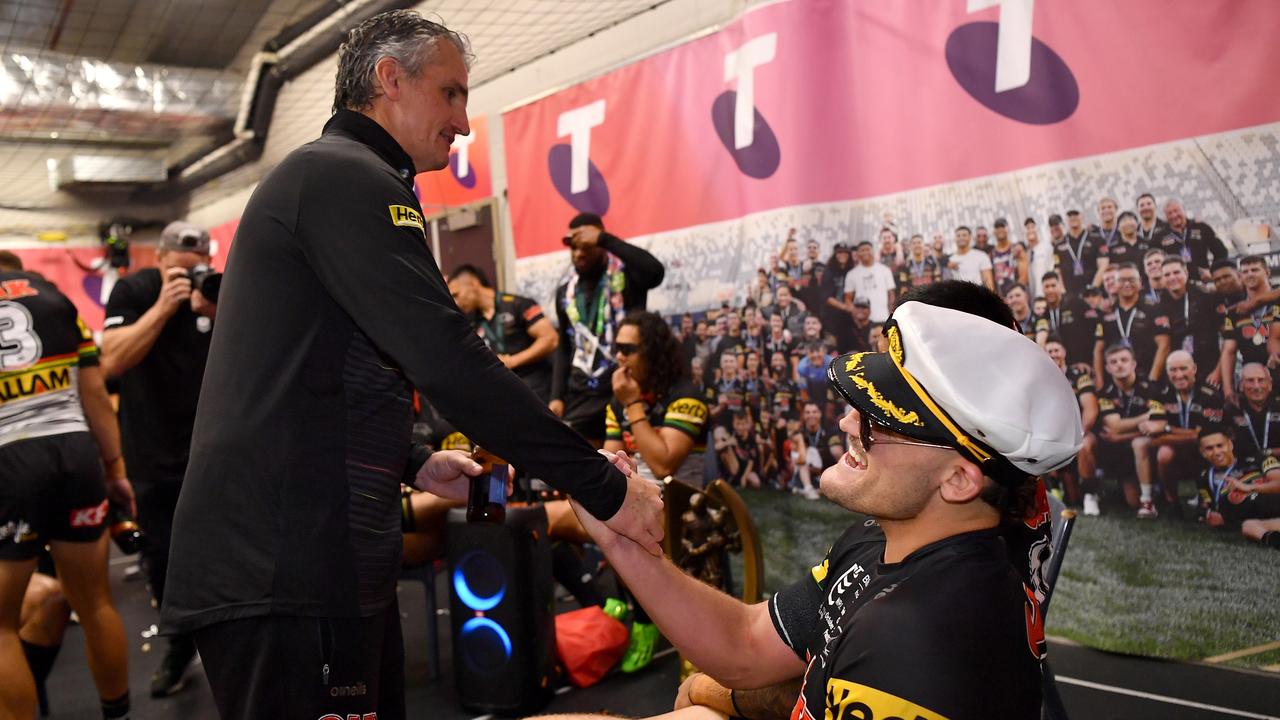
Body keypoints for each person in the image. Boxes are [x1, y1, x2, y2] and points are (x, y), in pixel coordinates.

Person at [161, 13, 663, 720]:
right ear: (388, 79)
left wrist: (412, 459)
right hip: (284, 566)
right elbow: (446, 357)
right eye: (450, 93)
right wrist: (604, 487)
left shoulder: (353, 180)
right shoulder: (341, 176)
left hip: (324, 558)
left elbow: (318, 369)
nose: (463, 120)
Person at [569, 294, 1082, 720]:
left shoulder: (919, 632)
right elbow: (745, 642)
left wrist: (717, 697)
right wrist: (623, 540)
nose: (846, 425)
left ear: (959, 479)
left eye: (880, 422)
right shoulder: (878, 542)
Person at [0, 266, 134, 719]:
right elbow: (95, 394)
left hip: (10, 462)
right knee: (95, 603)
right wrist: (116, 469)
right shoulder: (52, 296)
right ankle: (119, 714)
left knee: (0, 631)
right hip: (76, 456)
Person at [98, 220, 215, 697]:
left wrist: (218, 307)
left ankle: (229, 646)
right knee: (163, 559)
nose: (191, 277)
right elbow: (111, 362)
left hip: (211, 451)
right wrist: (165, 308)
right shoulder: (135, 289)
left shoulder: (218, 288)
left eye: (199, 268)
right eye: (182, 270)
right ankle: (178, 643)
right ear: (162, 259)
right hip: (151, 454)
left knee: (230, 555)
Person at [551, 211, 665, 444]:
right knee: (577, 466)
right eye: (573, 247)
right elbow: (564, 346)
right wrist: (556, 396)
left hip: (624, 387)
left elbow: (655, 272)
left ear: (601, 245)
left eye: (586, 246)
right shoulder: (566, 292)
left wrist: (605, 239)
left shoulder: (627, 276)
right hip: (581, 393)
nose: (578, 252)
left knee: (624, 467)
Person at [447, 264, 557, 401]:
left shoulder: (518, 305)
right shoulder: (471, 323)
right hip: (503, 395)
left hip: (536, 390)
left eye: (456, 295)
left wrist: (513, 361)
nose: (456, 303)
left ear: (473, 283)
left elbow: (550, 339)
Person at [1142, 351, 1223, 514]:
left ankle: (1206, 498)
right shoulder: (1160, 394)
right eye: (1173, 370)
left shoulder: (1210, 394)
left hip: (1203, 453)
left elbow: (1203, 436)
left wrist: (1167, 429)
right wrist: (1189, 435)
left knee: (1210, 447)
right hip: (1176, 451)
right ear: (1167, 371)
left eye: (1183, 369)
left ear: (1194, 369)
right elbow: (1155, 439)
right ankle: (1172, 501)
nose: (1178, 375)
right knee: (1163, 454)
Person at [1093, 344, 1166, 517]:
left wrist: (1120, 436)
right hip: (1120, 454)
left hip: (1145, 447)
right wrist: (1145, 417)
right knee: (1132, 501)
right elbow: (1114, 426)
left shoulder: (1151, 389)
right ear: (1108, 368)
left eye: (1124, 360)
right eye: (1114, 362)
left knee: (1139, 443)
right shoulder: (1106, 393)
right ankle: (1125, 487)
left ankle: (1148, 499)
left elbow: (1158, 423)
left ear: (1133, 364)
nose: (1119, 365)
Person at [1194, 428, 1280, 549]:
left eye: (1220, 446)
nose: (1216, 452)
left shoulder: (1257, 459)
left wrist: (1248, 488)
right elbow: (1207, 508)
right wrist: (1211, 515)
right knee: (1248, 527)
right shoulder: (1203, 478)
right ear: (1202, 452)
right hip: (1267, 518)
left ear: (1230, 444)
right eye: (1209, 448)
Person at [1092, 262, 1171, 386]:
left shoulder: (1154, 309)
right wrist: (1100, 381)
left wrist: (1152, 378)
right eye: (1122, 280)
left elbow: (1164, 345)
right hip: (1116, 380)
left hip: (1146, 375)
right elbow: (1098, 350)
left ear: (1140, 282)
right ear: (1115, 283)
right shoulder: (1106, 311)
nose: (1127, 284)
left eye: (1131, 280)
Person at [1218, 256, 1280, 406]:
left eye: (1255, 270)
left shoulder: (1278, 300)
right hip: (1253, 382)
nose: (1250, 274)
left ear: (1267, 272)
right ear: (1240, 276)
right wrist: (1228, 389)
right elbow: (1229, 351)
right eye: (1245, 271)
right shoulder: (1234, 311)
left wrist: (1256, 301)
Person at [1159, 256, 1223, 385]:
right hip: (1177, 371)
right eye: (1167, 274)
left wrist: (1218, 371)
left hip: (1209, 366)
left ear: (1186, 273)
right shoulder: (1160, 303)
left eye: (1176, 272)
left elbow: (1227, 338)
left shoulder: (1206, 297)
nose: (1172, 277)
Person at [1162, 199, 1229, 282]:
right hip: (1176, 282)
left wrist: (1213, 271)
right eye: (1169, 213)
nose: (1174, 215)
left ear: (1184, 210)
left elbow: (1221, 252)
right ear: (1165, 216)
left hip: (1203, 281)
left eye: (1176, 211)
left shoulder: (1201, 227)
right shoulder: (1161, 235)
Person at [1228, 363, 1280, 462]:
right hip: (1243, 468)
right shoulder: (1231, 409)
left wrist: (1268, 452)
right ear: (1241, 386)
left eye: (1261, 380)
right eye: (1250, 381)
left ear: (1270, 384)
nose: (1256, 386)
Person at [946, 225, 994, 290]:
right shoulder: (950, 260)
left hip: (977, 296)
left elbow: (988, 282)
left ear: (970, 237)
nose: (961, 238)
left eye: (964, 235)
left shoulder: (981, 256)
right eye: (958, 235)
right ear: (955, 238)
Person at [988, 217, 1027, 295]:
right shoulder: (991, 254)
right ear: (994, 231)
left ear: (1008, 229)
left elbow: (1024, 276)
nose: (1000, 230)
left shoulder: (1017, 249)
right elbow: (990, 281)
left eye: (1002, 227)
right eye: (997, 227)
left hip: (1017, 296)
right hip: (1001, 299)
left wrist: (1015, 294)